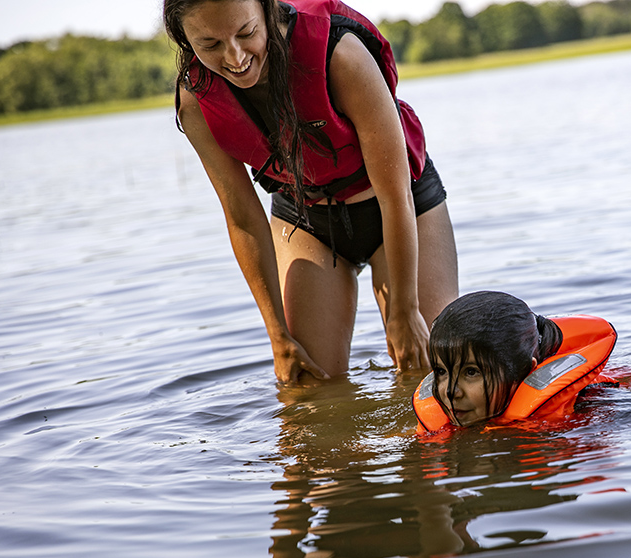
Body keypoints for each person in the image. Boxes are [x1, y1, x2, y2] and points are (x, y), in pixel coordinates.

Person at [164, 0, 458, 384]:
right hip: (307, 217)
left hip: (401, 204)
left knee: (432, 368)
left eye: (246, 33)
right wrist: (277, 337)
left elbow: (395, 194)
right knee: (304, 383)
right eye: (210, 45)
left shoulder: (340, 53)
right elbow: (242, 217)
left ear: (267, 11)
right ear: (184, 40)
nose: (235, 57)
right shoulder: (195, 99)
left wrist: (404, 311)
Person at [417, 291, 617, 431]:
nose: (451, 392)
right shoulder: (448, 418)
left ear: (524, 371)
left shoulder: (584, 413)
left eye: (471, 372)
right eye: (442, 372)